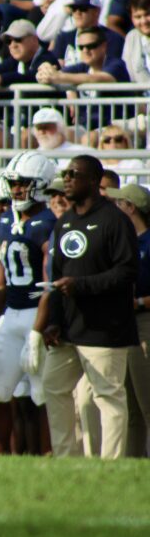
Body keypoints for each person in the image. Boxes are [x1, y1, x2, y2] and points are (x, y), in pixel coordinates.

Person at [33, 155, 137, 460]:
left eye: (73, 174)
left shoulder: (114, 220)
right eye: (65, 174)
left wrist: (81, 285)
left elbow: (127, 272)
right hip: (68, 328)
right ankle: (67, 458)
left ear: (93, 180)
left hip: (105, 327)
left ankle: (110, 465)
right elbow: (56, 275)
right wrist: (52, 320)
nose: (66, 179)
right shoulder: (65, 222)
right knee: (53, 386)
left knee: (108, 397)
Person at [0, 151, 57, 454]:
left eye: (24, 183)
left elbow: (49, 284)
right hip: (10, 314)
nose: (17, 189)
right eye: (14, 183)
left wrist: (37, 330)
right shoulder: (5, 221)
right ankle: (0, 458)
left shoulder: (49, 223)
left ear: (42, 184)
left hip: (37, 312)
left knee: (40, 394)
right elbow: (0, 281)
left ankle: (48, 456)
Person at [104, 183, 150, 457]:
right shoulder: (125, 241)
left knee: (147, 404)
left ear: (131, 207)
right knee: (131, 407)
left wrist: (139, 302)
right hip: (125, 325)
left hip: (145, 322)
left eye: (119, 203)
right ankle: (132, 466)